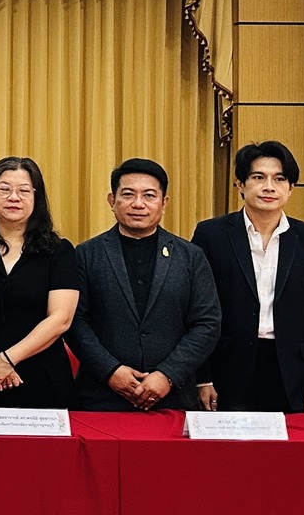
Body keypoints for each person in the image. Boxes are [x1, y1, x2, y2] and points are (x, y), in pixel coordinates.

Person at [191, 141, 304, 414]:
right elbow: (196, 310)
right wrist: (203, 378)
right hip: (227, 366)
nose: (269, 187)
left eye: (279, 179)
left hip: (292, 369)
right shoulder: (211, 235)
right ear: (241, 185)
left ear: (290, 188)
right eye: (258, 177)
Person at [67, 158, 221, 412]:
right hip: (101, 397)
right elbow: (75, 322)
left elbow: (207, 323)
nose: (138, 204)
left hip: (172, 397)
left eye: (149, 195)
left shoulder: (190, 256)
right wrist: (111, 371)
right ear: (112, 200)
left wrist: (167, 375)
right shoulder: (86, 254)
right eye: (128, 194)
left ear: (164, 203)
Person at [0, 156, 80, 409]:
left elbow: (61, 319)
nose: (14, 197)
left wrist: (7, 360)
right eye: (4, 189)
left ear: (36, 198)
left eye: (23, 191)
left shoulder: (59, 251)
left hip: (43, 378)